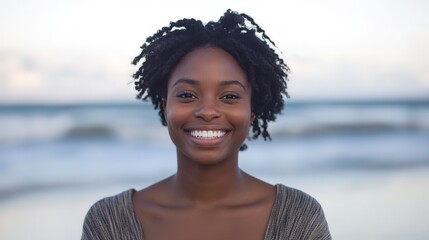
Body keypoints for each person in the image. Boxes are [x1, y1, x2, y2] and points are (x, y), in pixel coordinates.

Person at [81, 9, 331, 240]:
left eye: (230, 96)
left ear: (252, 111)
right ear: (165, 105)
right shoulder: (109, 223)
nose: (208, 111)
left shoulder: (298, 220)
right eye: (187, 95)